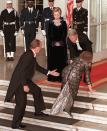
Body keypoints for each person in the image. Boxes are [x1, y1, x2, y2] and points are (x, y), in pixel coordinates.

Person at [5, 39, 59, 129]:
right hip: (20, 82)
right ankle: (15, 124)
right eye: (40, 46)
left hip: (25, 79)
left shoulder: (31, 54)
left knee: (37, 90)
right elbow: (21, 71)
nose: (41, 48)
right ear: (37, 47)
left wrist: (49, 72)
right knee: (21, 104)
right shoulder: (28, 55)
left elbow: (36, 67)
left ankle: (38, 111)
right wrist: (24, 85)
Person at [50, 51, 95, 116]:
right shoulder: (86, 63)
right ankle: (67, 110)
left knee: (63, 91)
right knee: (72, 93)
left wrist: (71, 62)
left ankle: (58, 108)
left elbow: (68, 61)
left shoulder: (76, 58)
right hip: (74, 76)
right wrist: (90, 89)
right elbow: (87, 77)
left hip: (65, 73)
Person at [47, 7, 68, 82]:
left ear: (60, 14)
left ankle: (61, 78)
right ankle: (53, 77)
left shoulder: (64, 23)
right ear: (53, 14)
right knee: (53, 62)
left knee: (61, 62)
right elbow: (48, 35)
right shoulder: (50, 23)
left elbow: (65, 35)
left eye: (58, 14)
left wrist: (60, 43)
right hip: (52, 46)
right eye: (55, 14)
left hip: (61, 46)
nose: (56, 16)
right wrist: (54, 43)